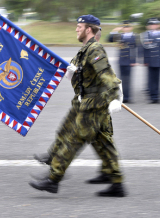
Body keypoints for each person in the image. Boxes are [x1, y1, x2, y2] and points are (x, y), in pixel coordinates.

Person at [29, 15, 126, 197]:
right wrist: (72, 73)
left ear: (89, 29)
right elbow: (81, 75)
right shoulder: (86, 49)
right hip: (87, 101)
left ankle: (53, 179)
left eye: (79, 26)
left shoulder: (95, 49)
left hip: (94, 105)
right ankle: (115, 181)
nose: (76, 29)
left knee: (73, 141)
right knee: (103, 142)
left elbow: (106, 74)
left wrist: (115, 97)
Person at [108, 21, 137, 103]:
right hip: (121, 60)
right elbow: (110, 39)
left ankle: (128, 97)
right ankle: (123, 97)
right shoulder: (119, 36)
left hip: (129, 61)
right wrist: (115, 30)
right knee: (121, 79)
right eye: (124, 27)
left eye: (127, 27)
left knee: (128, 79)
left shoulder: (133, 36)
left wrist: (133, 61)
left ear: (131, 27)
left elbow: (135, 49)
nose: (126, 29)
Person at [140, 18, 160, 103]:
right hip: (151, 59)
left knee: (156, 79)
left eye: (155, 24)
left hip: (158, 58)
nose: (153, 26)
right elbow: (144, 48)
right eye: (151, 24)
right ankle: (154, 97)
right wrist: (145, 60)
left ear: (158, 25)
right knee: (152, 79)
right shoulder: (145, 35)